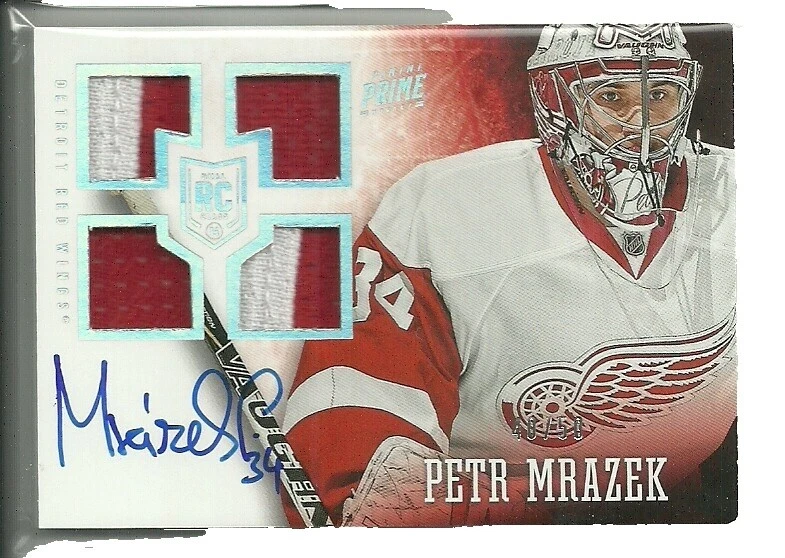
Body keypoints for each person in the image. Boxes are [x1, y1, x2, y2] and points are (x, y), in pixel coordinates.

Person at [281, 23, 736, 526]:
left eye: (661, 94)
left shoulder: (745, 195)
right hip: (483, 518)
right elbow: (356, 392)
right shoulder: (450, 202)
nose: (643, 125)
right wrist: (363, 496)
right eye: (611, 96)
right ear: (555, 100)